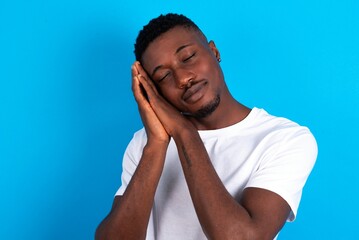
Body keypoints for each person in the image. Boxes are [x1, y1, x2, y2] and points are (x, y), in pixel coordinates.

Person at [95, 13, 317, 240]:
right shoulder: (145, 143)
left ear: (214, 51)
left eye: (188, 57)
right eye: (163, 76)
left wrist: (184, 132)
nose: (182, 79)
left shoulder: (284, 139)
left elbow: (243, 237)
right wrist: (157, 144)